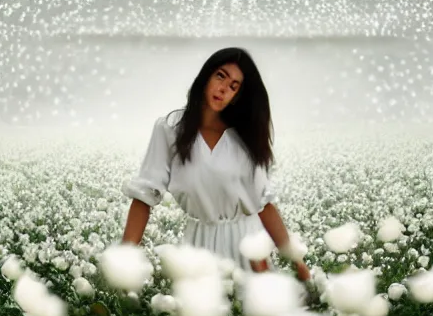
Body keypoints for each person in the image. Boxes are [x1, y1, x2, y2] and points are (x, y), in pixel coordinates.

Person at [121, 47, 310, 281]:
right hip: (198, 246)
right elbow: (145, 196)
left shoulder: (246, 138)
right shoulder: (170, 129)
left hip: (249, 248)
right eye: (220, 76)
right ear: (206, 76)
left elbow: (263, 205)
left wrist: (296, 260)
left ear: (238, 96)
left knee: (251, 313)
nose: (223, 89)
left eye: (234, 86)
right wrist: (124, 259)